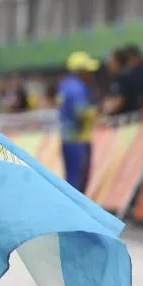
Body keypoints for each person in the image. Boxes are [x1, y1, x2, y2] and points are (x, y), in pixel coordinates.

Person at [58, 52, 99, 193]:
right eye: (88, 70)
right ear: (80, 71)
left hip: (67, 139)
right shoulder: (77, 87)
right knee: (78, 181)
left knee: (71, 178)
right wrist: (96, 112)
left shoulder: (65, 85)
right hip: (79, 140)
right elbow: (80, 113)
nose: (91, 74)